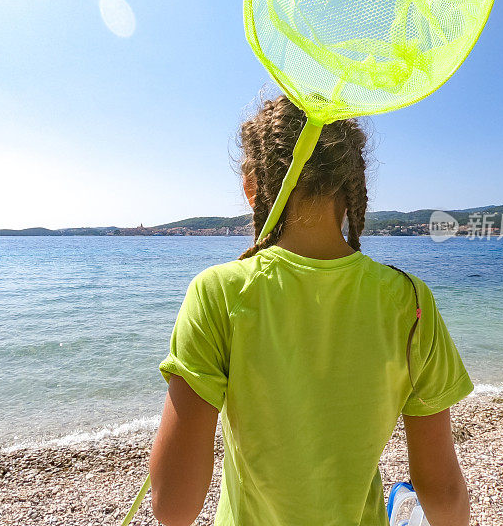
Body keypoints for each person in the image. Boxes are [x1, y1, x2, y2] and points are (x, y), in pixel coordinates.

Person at [149, 95, 474, 526]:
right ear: (354, 187)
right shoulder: (409, 300)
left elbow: (173, 509)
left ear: (252, 185)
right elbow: (443, 488)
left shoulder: (218, 292)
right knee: (405, 502)